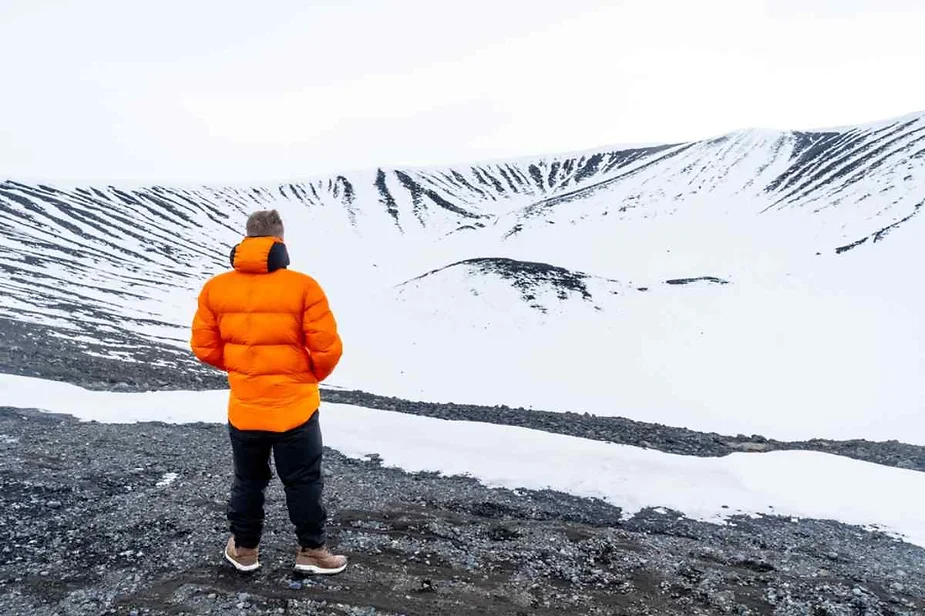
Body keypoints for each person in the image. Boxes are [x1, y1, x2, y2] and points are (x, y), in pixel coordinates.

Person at [190, 209, 346, 575]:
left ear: (246, 240)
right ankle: (312, 551)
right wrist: (306, 376)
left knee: (248, 480)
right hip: (296, 409)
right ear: (280, 241)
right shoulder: (304, 286)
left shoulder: (217, 287)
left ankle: (244, 550)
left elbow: (203, 346)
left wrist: (241, 369)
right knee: (304, 480)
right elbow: (328, 350)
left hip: (245, 408)